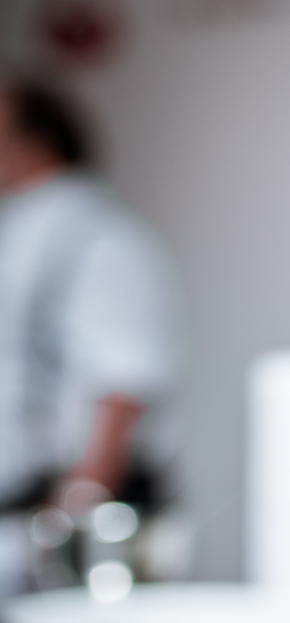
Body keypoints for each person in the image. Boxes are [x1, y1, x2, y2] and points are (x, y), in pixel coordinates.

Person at [0, 78, 182, 586]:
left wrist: (72, 522)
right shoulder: (20, 231)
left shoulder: (99, 237)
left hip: (68, 516)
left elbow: (125, 382)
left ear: (35, 141)